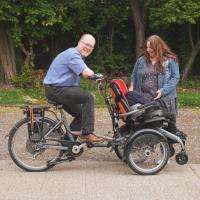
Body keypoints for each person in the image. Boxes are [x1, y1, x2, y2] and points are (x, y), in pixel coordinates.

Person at [43, 33, 102, 142]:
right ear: (79, 42)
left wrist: (92, 76)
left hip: (59, 89)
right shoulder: (73, 54)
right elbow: (85, 71)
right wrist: (94, 76)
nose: (88, 48)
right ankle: (87, 132)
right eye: (86, 44)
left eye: (91, 47)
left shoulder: (76, 56)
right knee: (89, 97)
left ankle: (67, 146)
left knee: (82, 114)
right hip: (56, 89)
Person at [129, 35, 186, 139]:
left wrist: (163, 90)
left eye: (151, 47)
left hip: (164, 99)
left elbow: (175, 77)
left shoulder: (170, 60)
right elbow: (133, 76)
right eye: (147, 47)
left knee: (167, 128)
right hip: (144, 99)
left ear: (158, 47)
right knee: (145, 124)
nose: (148, 50)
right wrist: (131, 88)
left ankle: (170, 145)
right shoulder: (141, 60)